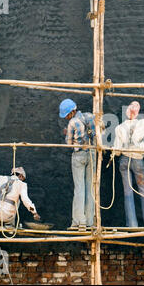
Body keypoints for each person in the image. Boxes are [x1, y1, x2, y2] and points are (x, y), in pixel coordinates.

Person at [113, 92, 144, 227]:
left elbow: (117, 150)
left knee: (128, 193)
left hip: (124, 161)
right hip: (137, 160)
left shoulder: (119, 127)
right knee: (143, 190)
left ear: (127, 112)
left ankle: (132, 224)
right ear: (137, 113)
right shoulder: (142, 123)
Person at [59, 98, 96, 229]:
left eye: (67, 115)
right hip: (92, 154)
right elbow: (96, 135)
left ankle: (79, 222)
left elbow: (69, 144)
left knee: (79, 189)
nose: (66, 117)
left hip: (78, 156)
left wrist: (66, 134)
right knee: (90, 189)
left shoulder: (72, 123)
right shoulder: (90, 116)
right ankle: (90, 221)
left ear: (71, 112)